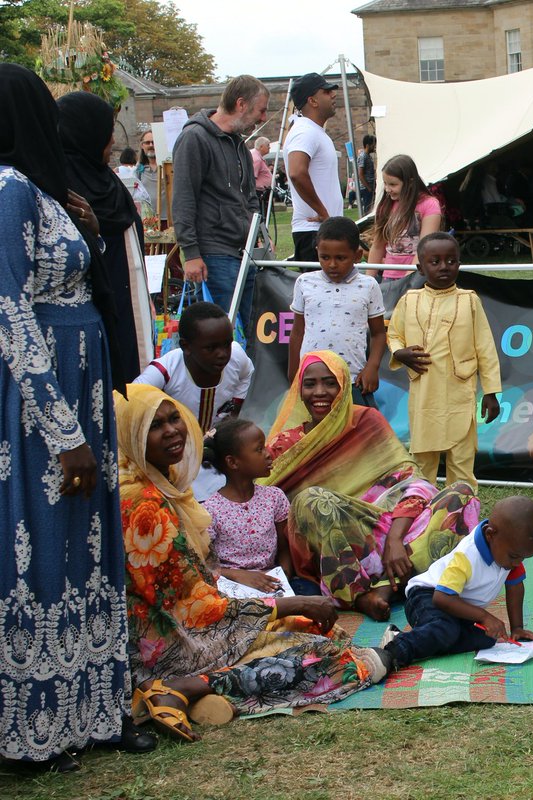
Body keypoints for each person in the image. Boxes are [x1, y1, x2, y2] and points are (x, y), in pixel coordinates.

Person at [0, 62, 140, 773]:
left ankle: (92, 708)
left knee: (86, 545)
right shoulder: (7, 189)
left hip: (82, 385)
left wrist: (87, 227)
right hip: (46, 404)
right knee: (47, 547)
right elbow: (10, 309)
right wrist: (63, 433)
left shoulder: (43, 190)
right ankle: (39, 724)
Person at [116, 385, 386, 742]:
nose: (171, 431)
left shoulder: (164, 488)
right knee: (327, 657)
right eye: (154, 425)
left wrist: (284, 605)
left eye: (174, 419)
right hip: (174, 645)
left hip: (198, 628)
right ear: (131, 436)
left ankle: (197, 695)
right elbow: (195, 609)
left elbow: (199, 586)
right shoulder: (143, 505)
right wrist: (290, 603)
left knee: (312, 630)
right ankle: (185, 687)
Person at [265, 351, 480, 620]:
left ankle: (386, 587)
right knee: (311, 501)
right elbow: (261, 493)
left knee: (463, 494)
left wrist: (395, 539)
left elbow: (412, 481)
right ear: (299, 390)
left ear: (344, 387)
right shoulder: (286, 445)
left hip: (390, 528)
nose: (319, 392)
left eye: (330, 383)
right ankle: (360, 593)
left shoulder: (367, 421)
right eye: (310, 384)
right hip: (339, 544)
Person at [388, 232, 501, 490]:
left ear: (459, 264)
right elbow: (394, 334)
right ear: (420, 268)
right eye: (435, 261)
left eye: (451, 261)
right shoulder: (409, 301)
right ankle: (420, 507)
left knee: (462, 460)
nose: (444, 267)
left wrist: (491, 392)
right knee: (423, 460)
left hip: (459, 394)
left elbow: (485, 347)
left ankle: (460, 509)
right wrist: (399, 353)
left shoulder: (469, 300)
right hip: (424, 396)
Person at [58, 90, 156, 376]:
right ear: (86, 133)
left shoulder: (106, 183)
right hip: (93, 311)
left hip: (129, 302)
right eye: (107, 132)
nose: (112, 141)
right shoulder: (61, 186)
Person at [382, 496, 533, 669]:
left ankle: (413, 637)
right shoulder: (467, 556)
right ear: (490, 534)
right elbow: (441, 598)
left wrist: (517, 627)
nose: (517, 563)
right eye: (514, 556)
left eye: (522, 558)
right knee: (446, 630)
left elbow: (515, 586)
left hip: (458, 607)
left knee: (487, 638)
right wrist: (484, 616)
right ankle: (394, 651)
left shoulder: (508, 552)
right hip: (426, 596)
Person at [173, 75, 268, 329]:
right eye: (261, 110)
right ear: (241, 104)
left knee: (251, 331)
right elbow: (183, 198)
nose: (263, 118)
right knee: (221, 333)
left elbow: (249, 196)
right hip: (214, 254)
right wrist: (191, 253)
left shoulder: (239, 145)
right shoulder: (194, 138)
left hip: (243, 253)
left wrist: (256, 232)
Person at [288, 216, 385, 406]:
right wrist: (294, 373)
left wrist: (372, 367)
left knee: (359, 424)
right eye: (325, 257)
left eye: (340, 258)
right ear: (317, 252)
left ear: (357, 255)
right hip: (312, 379)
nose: (332, 264)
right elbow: (297, 332)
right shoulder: (304, 282)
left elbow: (379, 333)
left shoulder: (369, 285)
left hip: (353, 379)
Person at [201, 418, 293, 593]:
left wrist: (284, 576)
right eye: (259, 449)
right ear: (233, 462)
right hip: (232, 587)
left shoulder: (274, 497)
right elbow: (205, 566)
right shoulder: (210, 511)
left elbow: (284, 549)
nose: (268, 454)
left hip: (273, 582)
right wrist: (238, 575)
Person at [134, 301, 254, 432]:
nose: (222, 354)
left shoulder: (236, 356)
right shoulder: (164, 371)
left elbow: (247, 373)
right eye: (211, 348)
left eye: (227, 344)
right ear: (186, 346)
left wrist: (234, 411)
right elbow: (130, 402)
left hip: (217, 438)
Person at [285, 72, 342, 263]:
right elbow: (296, 172)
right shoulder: (305, 131)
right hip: (313, 232)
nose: (333, 94)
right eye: (326, 91)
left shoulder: (312, 130)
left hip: (322, 231)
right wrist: (324, 213)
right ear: (312, 101)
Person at [366, 154, 443, 279]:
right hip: (390, 276)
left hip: (418, 276)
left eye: (393, 184)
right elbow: (377, 246)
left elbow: (425, 247)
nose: (387, 189)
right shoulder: (385, 206)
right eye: (385, 184)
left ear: (410, 182)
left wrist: (408, 280)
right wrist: (368, 281)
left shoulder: (429, 204)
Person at [137, 128, 159, 217]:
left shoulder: (169, 168)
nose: (151, 145)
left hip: (169, 218)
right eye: (147, 142)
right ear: (142, 145)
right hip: (148, 219)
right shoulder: (138, 169)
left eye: (154, 142)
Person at [250, 136, 272, 220]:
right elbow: (252, 177)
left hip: (260, 192)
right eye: (268, 145)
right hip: (258, 193)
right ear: (261, 146)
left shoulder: (257, 156)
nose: (269, 147)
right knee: (261, 216)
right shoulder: (257, 159)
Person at [357, 133, 377, 211]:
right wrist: (368, 188)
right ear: (368, 145)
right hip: (366, 189)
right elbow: (360, 174)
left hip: (371, 187)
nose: (374, 147)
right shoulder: (363, 156)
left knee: (372, 208)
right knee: (368, 209)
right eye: (373, 145)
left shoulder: (368, 156)